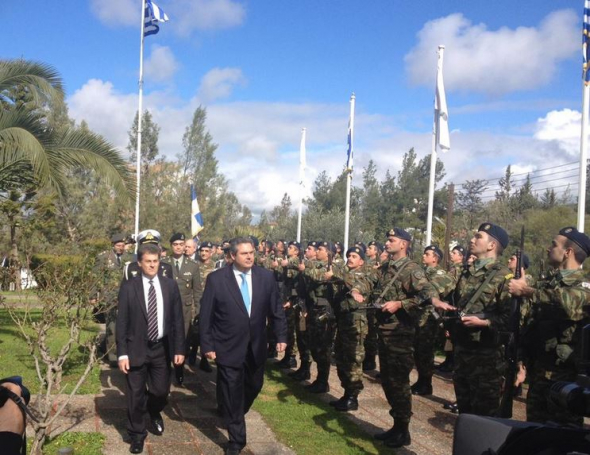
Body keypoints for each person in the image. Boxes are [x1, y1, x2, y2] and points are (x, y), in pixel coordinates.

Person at [199, 237, 287, 455]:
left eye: (252, 252)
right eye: (244, 253)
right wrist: (207, 344)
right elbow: (206, 315)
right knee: (231, 389)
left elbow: (276, 310)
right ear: (232, 256)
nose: (249, 257)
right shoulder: (217, 279)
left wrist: (281, 336)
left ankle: (233, 410)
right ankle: (236, 440)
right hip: (227, 345)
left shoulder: (266, 277)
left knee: (254, 385)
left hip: (256, 345)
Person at [509, 226, 590, 427]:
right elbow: (531, 324)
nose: (548, 249)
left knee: (563, 435)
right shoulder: (546, 284)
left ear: (568, 252)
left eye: (554, 245)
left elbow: (566, 303)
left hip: (565, 378)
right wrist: (521, 360)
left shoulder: (583, 285)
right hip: (539, 373)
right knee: (535, 431)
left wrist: (526, 290)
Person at [116, 243, 185, 454]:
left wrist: (179, 349)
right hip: (136, 348)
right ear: (140, 263)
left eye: (156, 261)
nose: (152, 265)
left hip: (161, 349)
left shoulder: (170, 285)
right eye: (148, 261)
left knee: (160, 391)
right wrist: (122, 354)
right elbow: (122, 322)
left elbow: (177, 320)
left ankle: (154, 411)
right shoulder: (129, 287)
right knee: (135, 395)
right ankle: (137, 434)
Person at [373, 228, 438, 448]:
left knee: (399, 382)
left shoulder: (412, 269)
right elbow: (369, 281)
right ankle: (396, 425)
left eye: (391, 240)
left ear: (404, 244)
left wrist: (400, 304)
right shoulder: (385, 268)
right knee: (388, 381)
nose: (387, 242)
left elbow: (427, 293)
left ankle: (403, 429)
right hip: (385, 331)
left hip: (400, 332)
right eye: (387, 238)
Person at [451, 223, 512, 417]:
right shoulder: (466, 271)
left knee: (484, 414)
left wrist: (485, 323)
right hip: (463, 350)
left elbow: (512, 319)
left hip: (487, 355)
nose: (472, 239)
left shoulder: (505, 277)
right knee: (464, 410)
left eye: (478, 237)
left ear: (492, 245)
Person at [327, 246, 373, 411]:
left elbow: (353, 281)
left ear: (361, 261)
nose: (350, 258)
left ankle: (353, 396)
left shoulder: (363, 276)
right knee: (342, 356)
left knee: (354, 358)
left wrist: (336, 274)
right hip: (344, 319)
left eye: (354, 256)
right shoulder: (347, 275)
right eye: (348, 256)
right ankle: (347, 393)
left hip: (356, 320)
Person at [412, 245, 455, 396]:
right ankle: (420, 380)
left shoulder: (442, 274)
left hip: (429, 319)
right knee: (417, 351)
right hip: (417, 317)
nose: (423, 256)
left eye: (427, 254)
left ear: (435, 258)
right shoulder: (420, 272)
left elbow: (430, 290)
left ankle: (426, 383)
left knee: (425, 352)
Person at [163, 232, 202, 386]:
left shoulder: (193, 266)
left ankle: (179, 370)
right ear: (171, 246)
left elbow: (197, 291)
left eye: (181, 245)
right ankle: (165, 369)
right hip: (166, 309)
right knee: (165, 339)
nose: (178, 247)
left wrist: (198, 311)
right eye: (175, 245)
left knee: (182, 341)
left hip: (185, 311)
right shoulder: (164, 263)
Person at [94, 233, 131, 367]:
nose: (121, 248)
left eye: (122, 245)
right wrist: (93, 295)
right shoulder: (103, 257)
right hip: (109, 297)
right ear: (113, 245)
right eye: (118, 245)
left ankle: (124, 352)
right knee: (112, 327)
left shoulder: (129, 257)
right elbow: (96, 276)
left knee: (126, 326)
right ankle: (113, 356)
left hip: (126, 296)